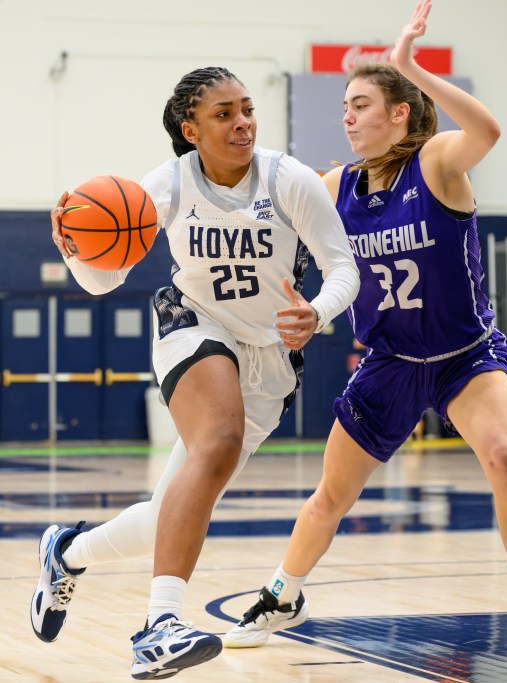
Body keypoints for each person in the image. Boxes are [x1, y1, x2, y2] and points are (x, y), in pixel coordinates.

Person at [223, 1, 507, 667]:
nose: (348, 114)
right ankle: (284, 594)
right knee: (330, 497)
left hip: (465, 355)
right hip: (390, 360)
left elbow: (487, 128)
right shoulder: (334, 187)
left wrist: (409, 65)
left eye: (362, 102)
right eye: (345, 103)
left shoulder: (437, 164)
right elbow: (262, 204)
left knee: (503, 457)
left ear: (400, 111)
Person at [31, 66, 360, 679]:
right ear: (191, 129)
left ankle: (68, 552)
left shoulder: (288, 179)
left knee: (174, 509)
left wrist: (316, 313)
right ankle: (160, 626)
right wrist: (75, 249)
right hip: (194, 322)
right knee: (216, 442)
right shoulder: (167, 186)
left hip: (271, 356)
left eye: (247, 110)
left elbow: (344, 269)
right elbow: (105, 281)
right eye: (223, 114)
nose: (242, 123)